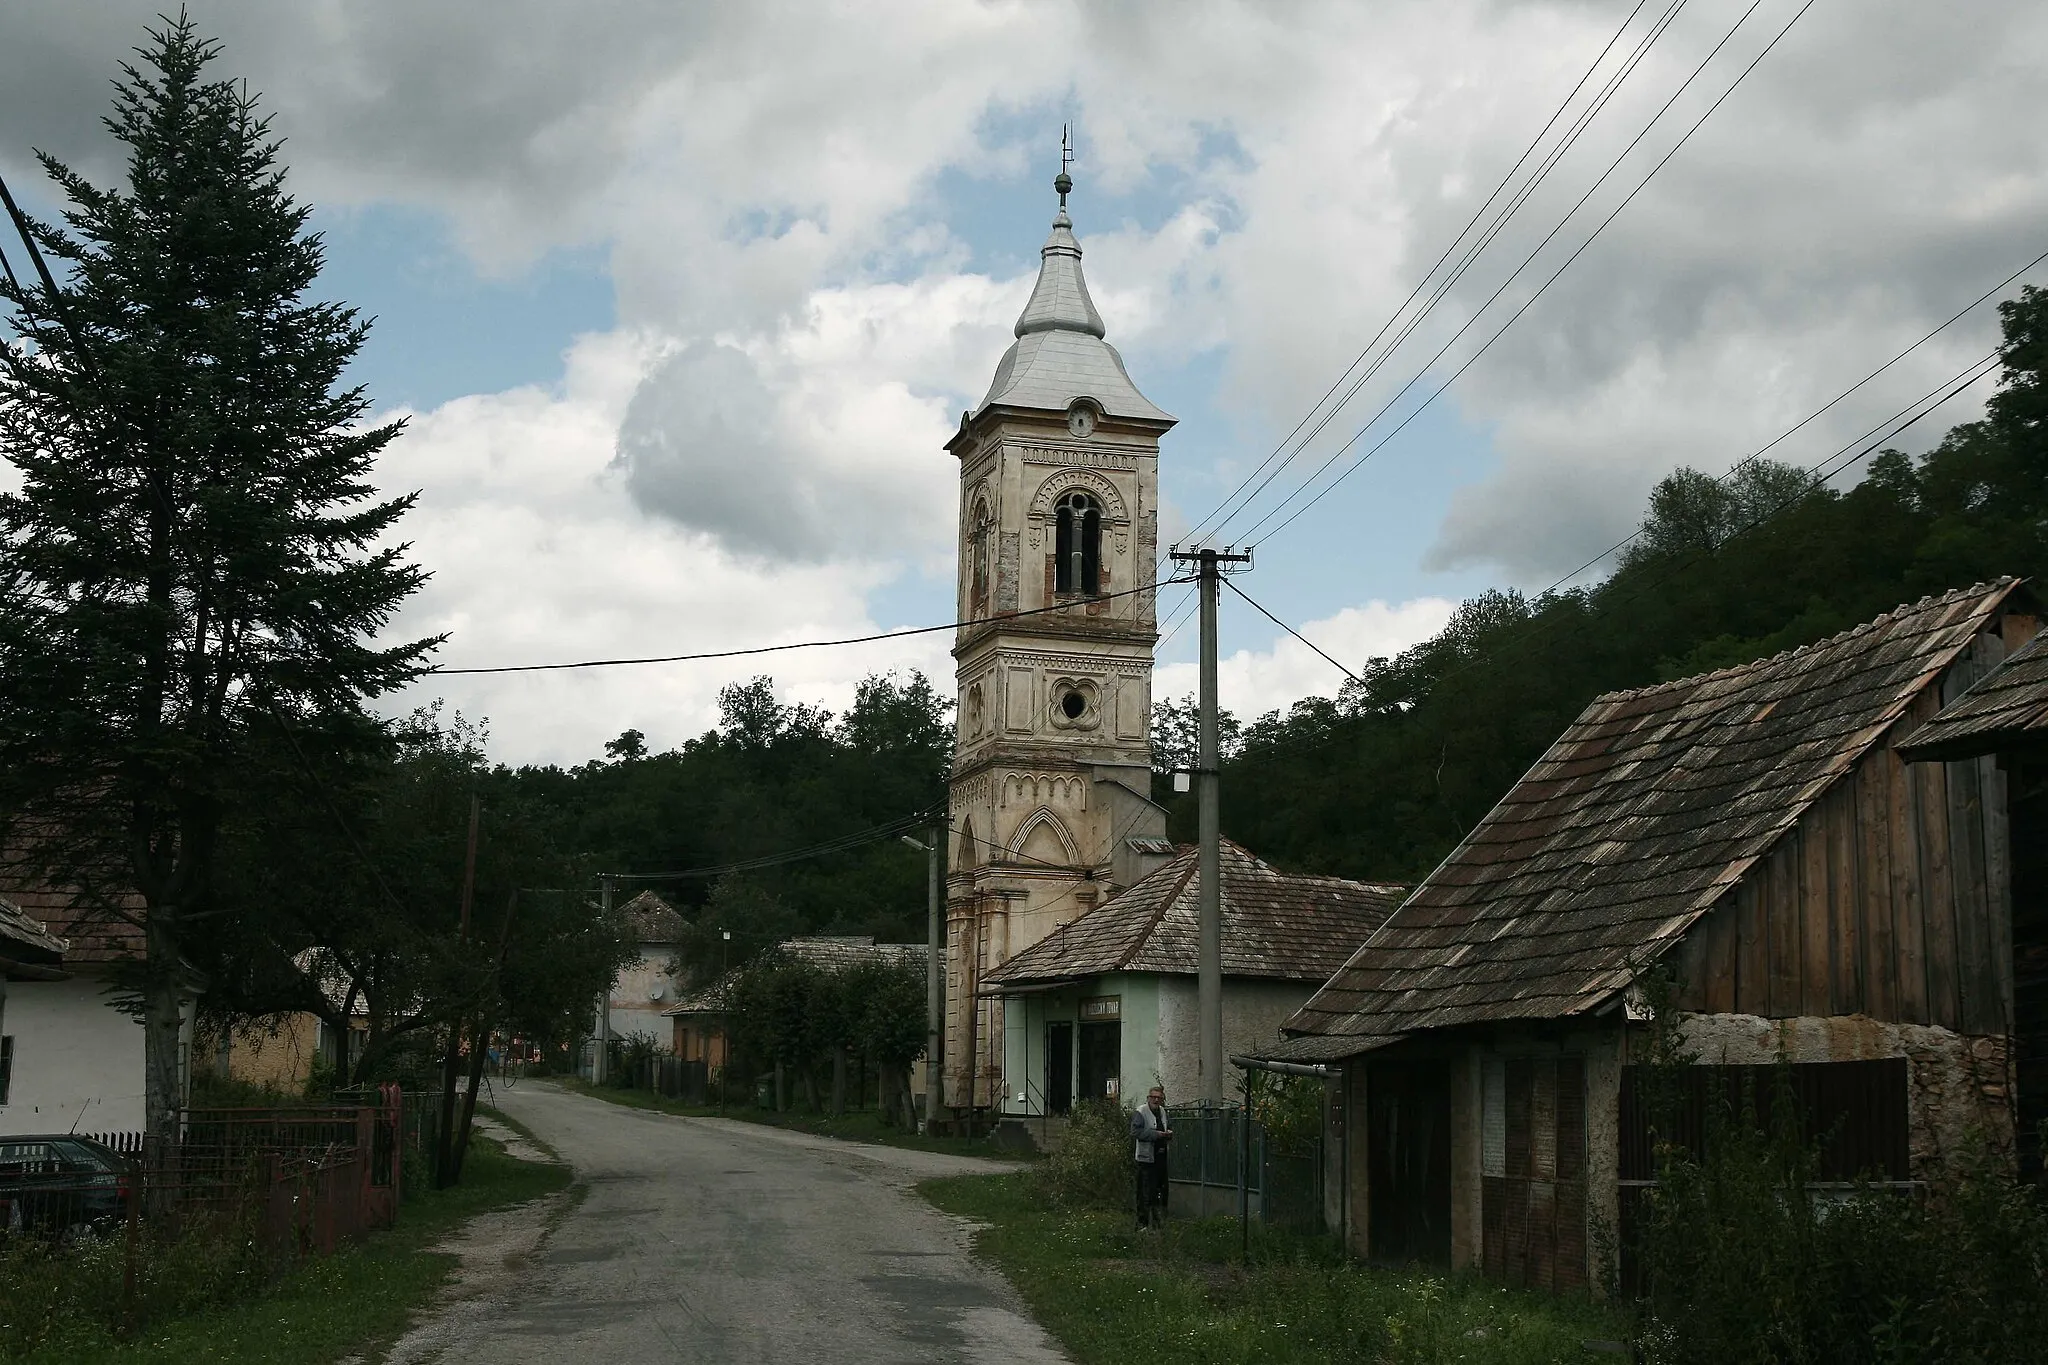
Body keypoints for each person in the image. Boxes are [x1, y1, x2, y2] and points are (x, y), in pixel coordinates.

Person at [1130, 1084, 1173, 1229]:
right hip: (1146, 1159)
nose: (1156, 1100)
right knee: (1145, 1193)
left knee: (1160, 1191)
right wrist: (1156, 1134)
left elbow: (1165, 1126)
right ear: (1148, 1098)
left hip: (1161, 1157)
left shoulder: (1162, 1111)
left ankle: (1157, 1223)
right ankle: (1142, 1224)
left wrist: (1168, 1134)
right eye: (1153, 1097)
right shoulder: (1141, 1112)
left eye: (1159, 1098)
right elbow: (1135, 1132)